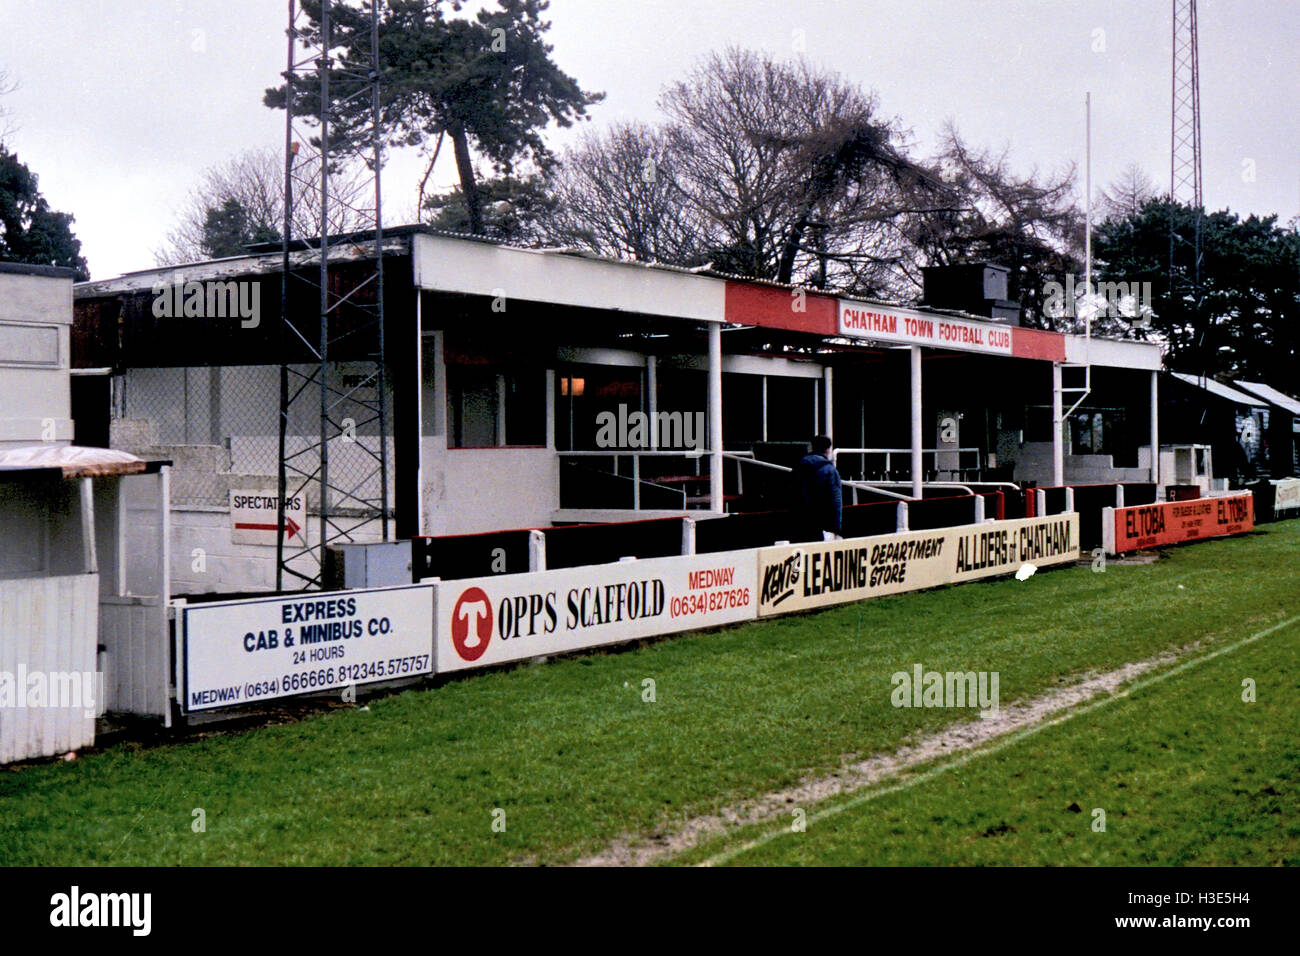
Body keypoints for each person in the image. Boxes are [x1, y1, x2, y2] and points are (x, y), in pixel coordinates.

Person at [793, 435, 842, 542]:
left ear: (812, 447)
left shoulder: (799, 466)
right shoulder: (829, 470)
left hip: (799, 520)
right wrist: (836, 528)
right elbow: (835, 500)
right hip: (822, 523)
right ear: (828, 450)